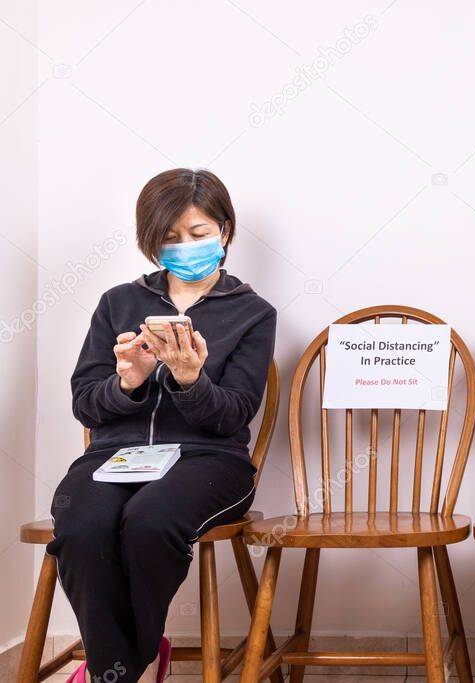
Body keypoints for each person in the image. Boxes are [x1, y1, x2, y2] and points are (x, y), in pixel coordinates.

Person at [48, 169, 277, 683]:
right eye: (169, 238)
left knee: (150, 522)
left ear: (224, 230)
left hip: (211, 462)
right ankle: (133, 664)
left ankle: (124, 666)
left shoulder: (253, 313)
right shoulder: (119, 302)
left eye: (197, 234)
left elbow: (235, 413)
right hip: (114, 457)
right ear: (151, 242)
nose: (184, 247)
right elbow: (87, 404)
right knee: (81, 527)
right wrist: (126, 382)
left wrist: (190, 380)